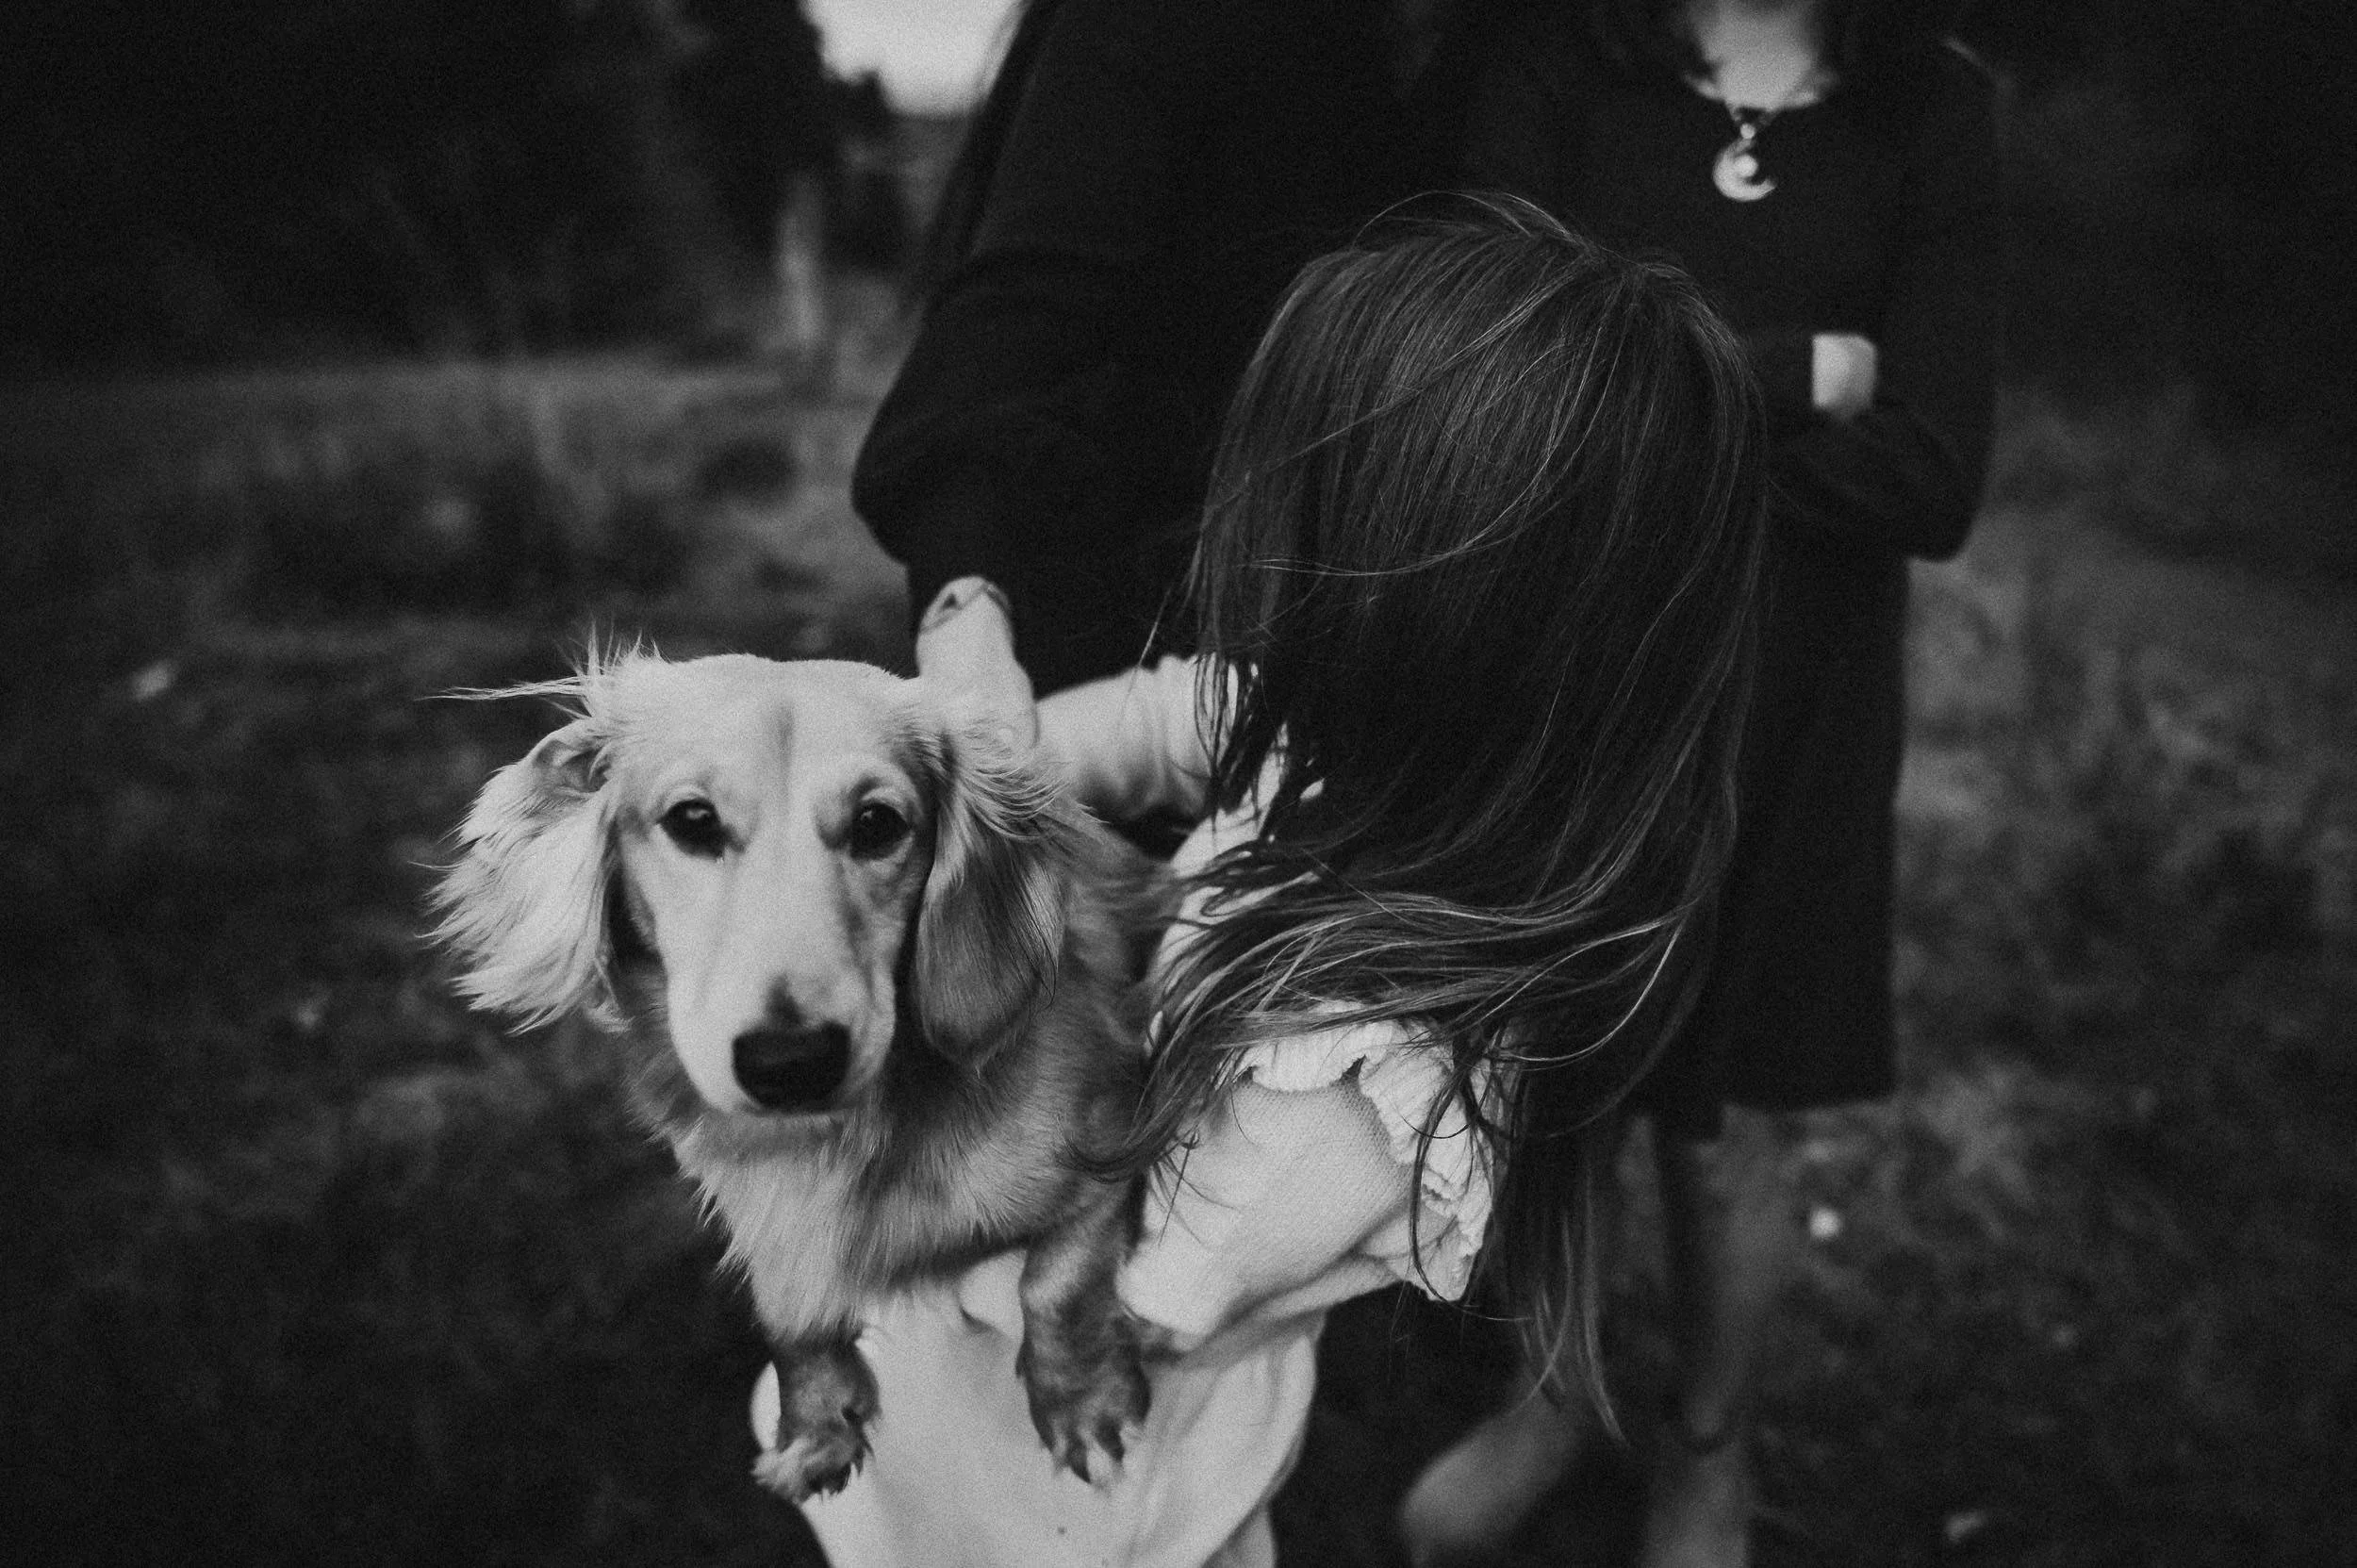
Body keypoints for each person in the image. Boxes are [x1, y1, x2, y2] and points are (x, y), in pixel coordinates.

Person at [768, 205, 1768, 1568]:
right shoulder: (1338, 729)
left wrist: (867, 1084)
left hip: (1060, 1466)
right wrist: (981, 776)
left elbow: (1135, 1302)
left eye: (1285, 501)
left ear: (1407, 601)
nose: (1232, 534)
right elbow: (1165, 718)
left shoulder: (1341, 1088)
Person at [1394, 4, 2002, 1564]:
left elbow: (1934, 475)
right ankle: (1554, 1396)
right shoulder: (1559, 67)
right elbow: (1499, 375)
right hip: (1581, 675)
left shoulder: (1929, 108)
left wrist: (1640, 423)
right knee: (1561, 1073)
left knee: (1738, 1113)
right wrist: (1794, 372)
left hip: (1803, 696)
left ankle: (1710, 1446)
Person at [850, 0, 1478, 725]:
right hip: (1134, 648)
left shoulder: (1523, 55)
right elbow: (1009, 335)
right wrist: (971, 641)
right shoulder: (1165, 25)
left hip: (1382, 653)